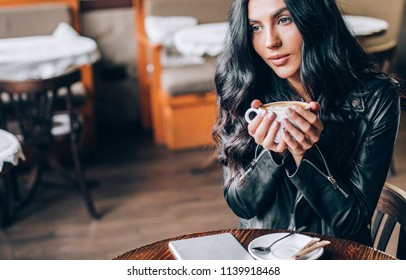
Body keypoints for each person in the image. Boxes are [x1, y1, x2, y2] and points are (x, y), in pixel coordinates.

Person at [212, 0, 402, 246]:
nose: (271, 41)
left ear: (315, 18)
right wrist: (272, 154)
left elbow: (353, 221)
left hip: (338, 258)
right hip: (264, 255)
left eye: (284, 20)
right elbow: (242, 205)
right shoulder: (242, 88)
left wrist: (306, 156)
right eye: (255, 28)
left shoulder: (375, 97)